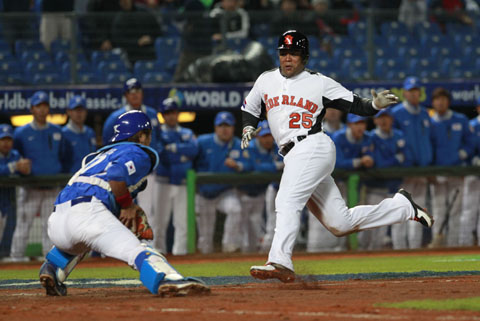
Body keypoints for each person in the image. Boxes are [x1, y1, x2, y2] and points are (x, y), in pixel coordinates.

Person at [241, 30, 433, 282]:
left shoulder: (319, 82)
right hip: (294, 155)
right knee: (340, 224)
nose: (288, 58)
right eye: (284, 53)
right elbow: (250, 108)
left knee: (286, 200)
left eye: (294, 53)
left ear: (305, 57)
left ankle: (280, 260)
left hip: (312, 146)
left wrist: (374, 106)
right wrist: (247, 126)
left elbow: (356, 104)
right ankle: (401, 207)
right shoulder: (265, 80)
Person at [38, 110, 209, 296]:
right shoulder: (136, 150)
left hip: (57, 223)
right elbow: (116, 175)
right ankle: (168, 279)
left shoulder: (97, 157)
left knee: (82, 241)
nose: (150, 139)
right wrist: (128, 205)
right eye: (149, 134)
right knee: (137, 250)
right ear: (141, 136)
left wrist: (123, 209)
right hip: (88, 214)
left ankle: (52, 268)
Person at [7, 91, 63, 262]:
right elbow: (14, 155)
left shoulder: (57, 131)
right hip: (30, 187)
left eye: (45, 105)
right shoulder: (21, 133)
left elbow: (63, 156)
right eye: (38, 106)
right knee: (23, 226)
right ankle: (16, 260)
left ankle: (49, 263)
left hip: (52, 187)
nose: (42, 109)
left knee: (50, 227)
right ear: (32, 108)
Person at [102, 78, 161, 221]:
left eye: (137, 91)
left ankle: (147, 243)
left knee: (148, 210)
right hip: (124, 170)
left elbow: (158, 140)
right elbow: (107, 144)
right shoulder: (115, 117)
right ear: (126, 95)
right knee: (122, 208)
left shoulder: (152, 114)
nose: (134, 95)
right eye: (131, 92)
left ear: (142, 93)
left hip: (147, 170)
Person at [194, 111, 251, 253]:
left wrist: (238, 165)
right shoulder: (202, 142)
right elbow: (190, 160)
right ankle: (205, 261)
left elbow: (250, 164)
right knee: (205, 239)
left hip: (225, 192)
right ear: (215, 127)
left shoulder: (239, 144)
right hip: (204, 193)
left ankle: (229, 246)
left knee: (235, 209)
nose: (224, 129)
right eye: (221, 125)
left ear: (233, 127)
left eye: (228, 125)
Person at [429, 87, 474, 248]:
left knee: (456, 211)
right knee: (439, 211)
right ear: (433, 102)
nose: (440, 102)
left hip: (457, 171)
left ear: (448, 101)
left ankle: (454, 247)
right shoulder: (430, 122)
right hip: (438, 172)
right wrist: (430, 170)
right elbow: (427, 148)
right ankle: (438, 245)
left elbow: (471, 142)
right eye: (437, 99)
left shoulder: (460, 119)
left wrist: (463, 154)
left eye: (443, 99)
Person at [391, 76, 432, 250]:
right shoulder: (397, 113)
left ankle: (415, 249)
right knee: (400, 209)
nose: (414, 94)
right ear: (405, 93)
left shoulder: (424, 113)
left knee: (419, 209)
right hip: (404, 170)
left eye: (417, 91)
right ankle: (399, 249)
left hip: (422, 169)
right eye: (411, 91)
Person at [154, 98, 198, 255]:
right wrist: (181, 155)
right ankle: (158, 254)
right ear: (163, 115)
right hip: (162, 182)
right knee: (159, 222)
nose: (171, 116)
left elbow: (194, 150)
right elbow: (161, 155)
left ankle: (181, 255)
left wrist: (172, 148)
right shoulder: (158, 133)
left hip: (182, 183)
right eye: (167, 113)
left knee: (182, 222)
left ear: (178, 114)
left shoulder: (186, 132)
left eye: (173, 112)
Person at [362, 108, 410, 250]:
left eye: (386, 117)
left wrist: (392, 160)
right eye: (380, 117)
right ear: (375, 120)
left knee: (400, 225)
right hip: (375, 189)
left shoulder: (399, 135)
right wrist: (396, 158)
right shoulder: (370, 137)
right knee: (374, 228)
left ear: (391, 119)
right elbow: (376, 163)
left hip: (396, 188)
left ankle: (401, 259)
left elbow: (408, 159)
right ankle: (368, 258)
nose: (383, 120)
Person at [239, 120, 282, 252]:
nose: (267, 139)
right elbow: (255, 167)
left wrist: (270, 167)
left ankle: (259, 255)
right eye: (264, 135)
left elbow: (285, 162)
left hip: (262, 193)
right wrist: (275, 166)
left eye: (269, 135)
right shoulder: (249, 147)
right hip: (242, 193)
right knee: (242, 229)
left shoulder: (277, 147)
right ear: (257, 136)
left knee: (258, 228)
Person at [0, 124, 31, 257]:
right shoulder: (14, 159)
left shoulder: (15, 154)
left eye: (9, 139)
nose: (6, 143)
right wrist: (14, 167)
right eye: (3, 139)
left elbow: (24, 170)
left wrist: (26, 169)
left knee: (6, 231)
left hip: (7, 200)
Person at [459, 96, 480, 246]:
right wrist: (471, 160)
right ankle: (463, 245)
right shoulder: (471, 125)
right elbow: (466, 147)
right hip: (473, 173)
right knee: (468, 211)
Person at [61, 95, 97, 173]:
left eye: (81, 110)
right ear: (69, 112)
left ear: (86, 112)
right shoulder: (63, 133)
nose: (79, 113)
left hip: (90, 177)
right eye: (75, 110)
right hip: (70, 178)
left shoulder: (90, 132)